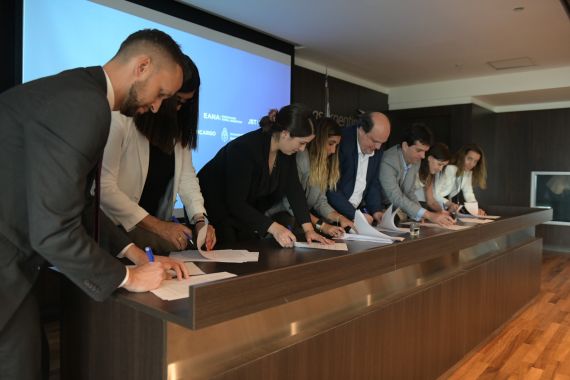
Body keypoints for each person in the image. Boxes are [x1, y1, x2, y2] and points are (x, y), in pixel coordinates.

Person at [0, 29, 187, 380]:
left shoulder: (76, 90)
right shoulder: (86, 106)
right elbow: (54, 230)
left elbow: (74, 201)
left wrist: (131, 251)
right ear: (142, 66)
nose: (158, 106)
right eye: (161, 94)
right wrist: (128, 277)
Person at [101, 54, 216, 254]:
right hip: (114, 228)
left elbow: (187, 178)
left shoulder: (177, 131)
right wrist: (159, 226)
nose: (180, 109)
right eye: (177, 100)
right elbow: (104, 189)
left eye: (187, 104)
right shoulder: (121, 118)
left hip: (153, 228)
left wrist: (199, 219)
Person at [198, 104, 332, 247]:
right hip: (214, 211)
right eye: (301, 143)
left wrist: (309, 230)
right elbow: (235, 203)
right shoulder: (245, 148)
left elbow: (294, 189)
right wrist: (275, 228)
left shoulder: (286, 153)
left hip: (242, 215)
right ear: (285, 133)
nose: (302, 149)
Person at [266, 117, 355, 237]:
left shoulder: (323, 164)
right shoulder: (300, 158)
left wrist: (340, 218)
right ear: (318, 140)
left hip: (303, 220)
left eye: (336, 145)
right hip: (279, 218)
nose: (333, 151)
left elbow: (320, 201)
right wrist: (321, 225)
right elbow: (290, 205)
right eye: (330, 144)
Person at [380, 124, 455, 226]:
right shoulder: (388, 161)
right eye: (419, 150)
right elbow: (396, 196)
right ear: (405, 146)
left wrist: (419, 215)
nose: (423, 156)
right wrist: (428, 215)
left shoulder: (416, 160)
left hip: (398, 210)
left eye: (425, 151)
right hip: (379, 210)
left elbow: (409, 192)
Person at [327, 112, 390, 225]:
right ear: (361, 130)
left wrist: (376, 210)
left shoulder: (377, 147)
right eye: (375, 141)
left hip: (355, 216)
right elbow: (331, 187)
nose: (378, 147)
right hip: (331, 215)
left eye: (382, 143)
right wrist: (354, 214)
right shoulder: (341, 142)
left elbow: (372, 182)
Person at [436, 143, 488, 215]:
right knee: (416, 226)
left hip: (439, 206)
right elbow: (434, 193)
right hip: (426, 204)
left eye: (475, 161)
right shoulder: (449, 169)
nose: (472, 164)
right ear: (462, 156)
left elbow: (468, 193)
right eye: (469, 159)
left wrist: (476, 210)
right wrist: (449, 204)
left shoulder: (467, 173)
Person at [414, 143, 452, 211]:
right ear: (430, 158)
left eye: (443, 166)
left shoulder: (429, 175)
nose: (440, 169)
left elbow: (431, 201)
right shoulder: (414, 167)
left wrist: (443, 213)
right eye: (439, 164)